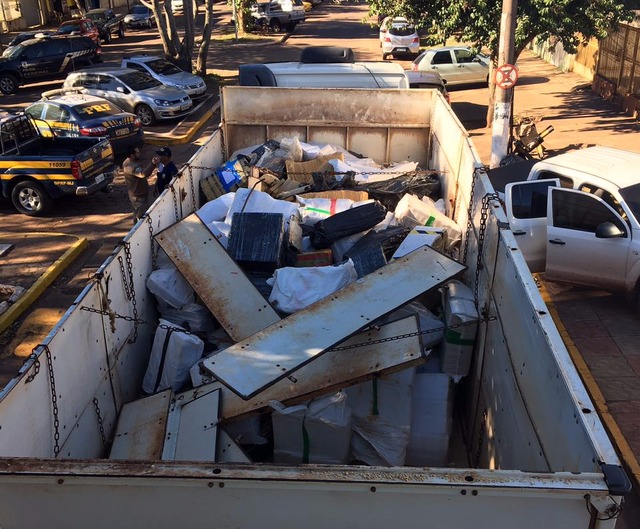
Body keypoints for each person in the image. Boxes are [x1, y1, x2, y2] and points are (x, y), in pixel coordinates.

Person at [122, 146, 156, 224]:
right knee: (142, 221)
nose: (139, 154)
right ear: (131, 155)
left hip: (135, 195)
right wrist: (153, 164)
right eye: (136, 153)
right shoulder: (131, 167)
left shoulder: (127, 162)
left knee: (137, 216)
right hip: (139, 198)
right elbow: (143, 174)